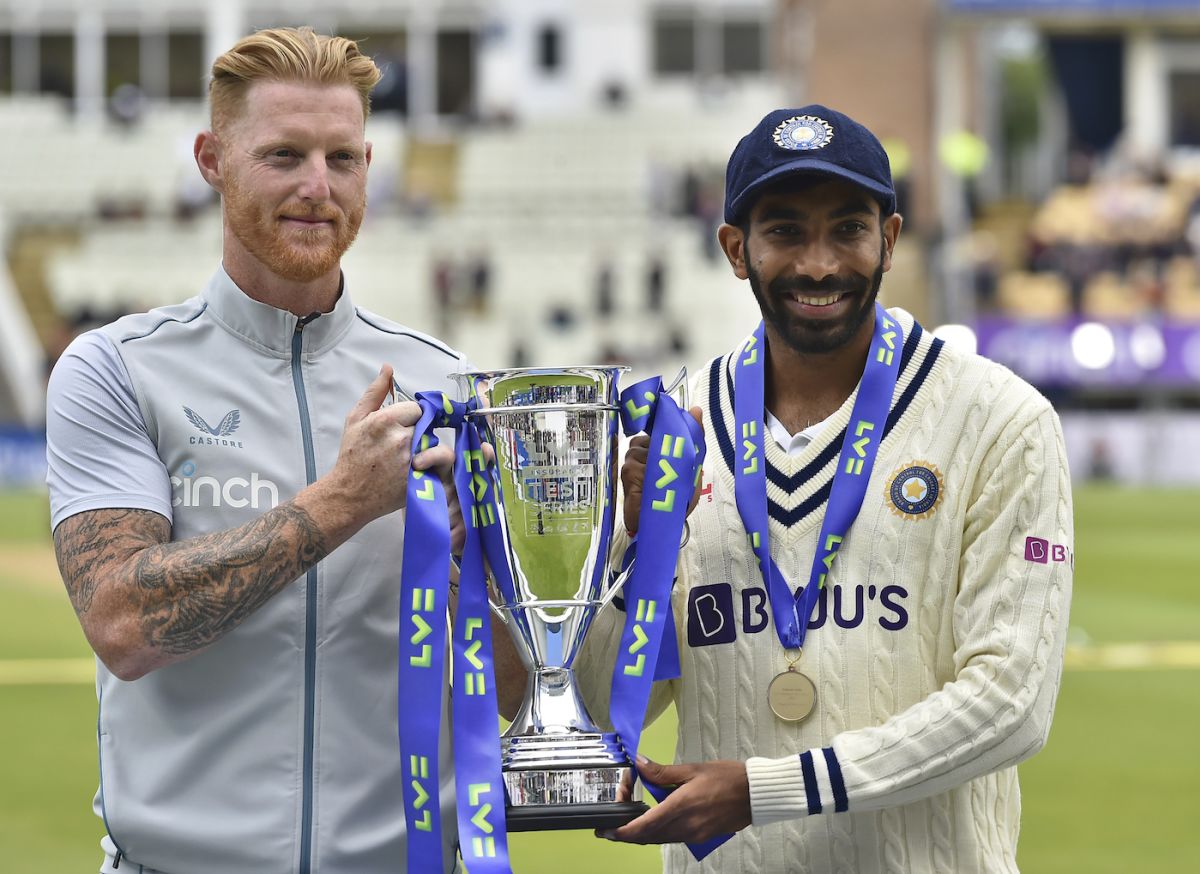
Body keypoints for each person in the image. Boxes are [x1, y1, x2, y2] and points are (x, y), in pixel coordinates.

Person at [45, 27, 519, 874]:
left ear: (369, 166)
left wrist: (477, 571)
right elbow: (122, 621)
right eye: (283, 155)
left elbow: (511, 687)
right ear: (212, 160)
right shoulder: (116, 369)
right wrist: (342, 501)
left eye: (342, 158)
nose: (317, 187)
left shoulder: (447, 383)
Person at [577, 106, 1073, 872]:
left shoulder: (999, 419)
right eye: (785, 231)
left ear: (890, 240)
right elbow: (601, 712)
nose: (818, 264)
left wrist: (769, 790)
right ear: (736, 249)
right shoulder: (680, 427)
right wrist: (638, 555)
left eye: (847, 229)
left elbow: (1012, 703)